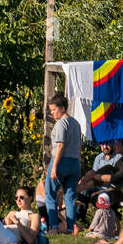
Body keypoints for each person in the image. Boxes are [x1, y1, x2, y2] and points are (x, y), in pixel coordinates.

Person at [45, 92, 82, 235]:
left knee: (50, 194)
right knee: (70, 196)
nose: (52, 113)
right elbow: (79, 147)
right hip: (74, 162)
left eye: (54, 110)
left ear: (62, 108)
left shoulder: (61, 123)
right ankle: (71, 228)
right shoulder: (76, 123)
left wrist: (54, 167)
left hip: (61, 161)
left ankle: (53, 226)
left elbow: (60, 145)